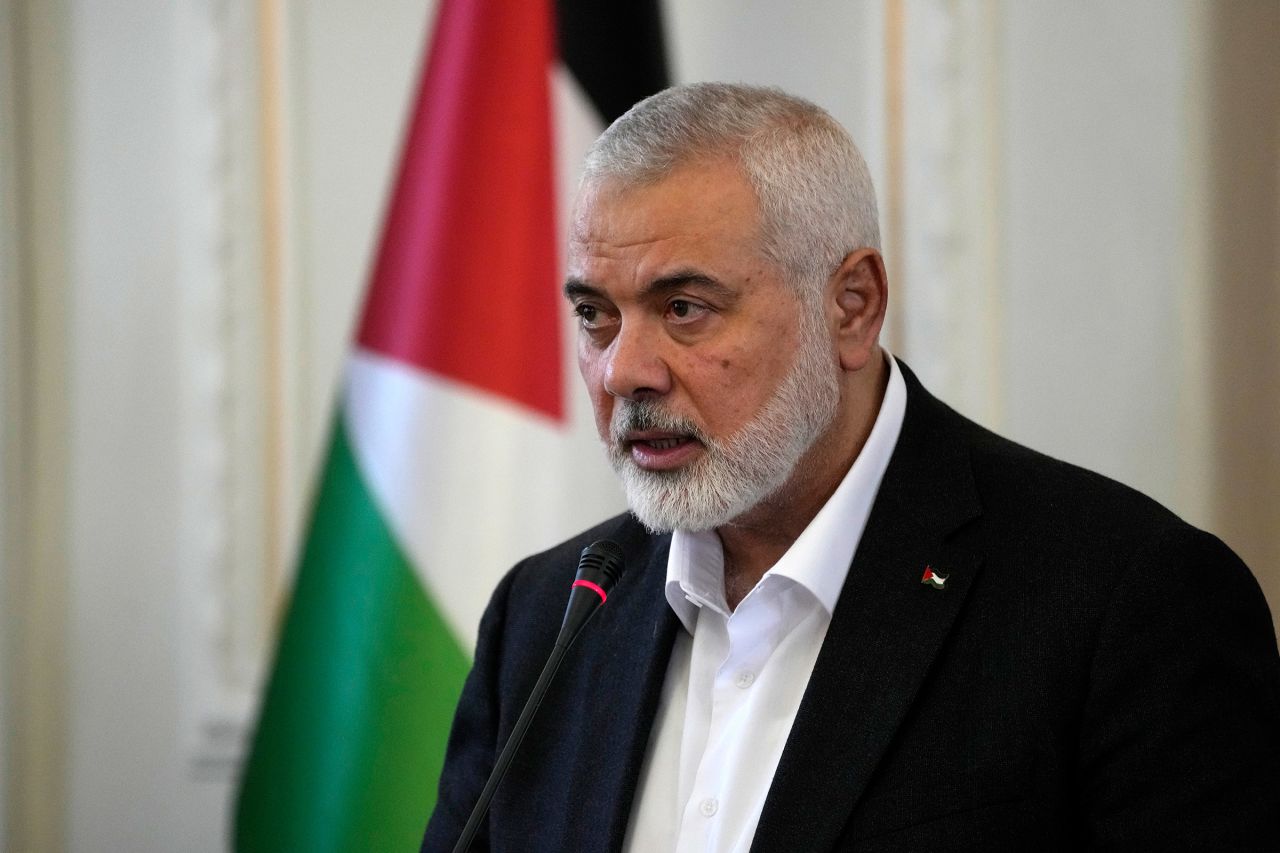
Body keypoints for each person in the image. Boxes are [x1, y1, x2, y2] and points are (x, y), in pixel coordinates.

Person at [422, 83, 1280, 852]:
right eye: (595, 315)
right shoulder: (544, 621)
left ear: (852, 306)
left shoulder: (1123, 604)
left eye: (684, 308)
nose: (623, 371)